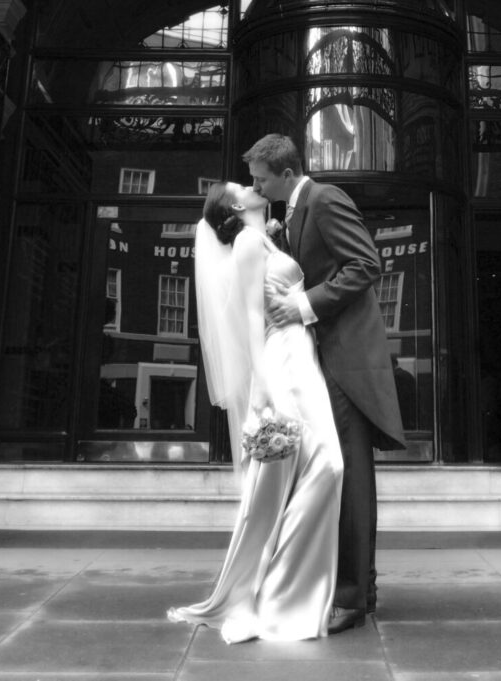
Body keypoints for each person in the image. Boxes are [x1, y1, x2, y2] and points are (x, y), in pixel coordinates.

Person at [166, 181, 343, 643]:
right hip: (283, 361)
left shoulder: (263, 235)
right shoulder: (246, 243)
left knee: (323, 467)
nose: (251, 185)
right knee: (327, 466)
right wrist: (264, 387)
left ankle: (286, 589)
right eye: (241, 187)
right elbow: (248, 315)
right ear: (236, 207)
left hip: (302, 357)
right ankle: (283, 596)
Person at [246, 133, 405, 634]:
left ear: (287, 173)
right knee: (337, 473)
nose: (255, 184)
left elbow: (366, 264)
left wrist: (303, 305)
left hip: (345, 363)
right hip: (319, 362)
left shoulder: (325, 199)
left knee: (350, 475)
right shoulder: (289, 212)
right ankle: (356, 586)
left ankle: (354, 598)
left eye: (261, 177)